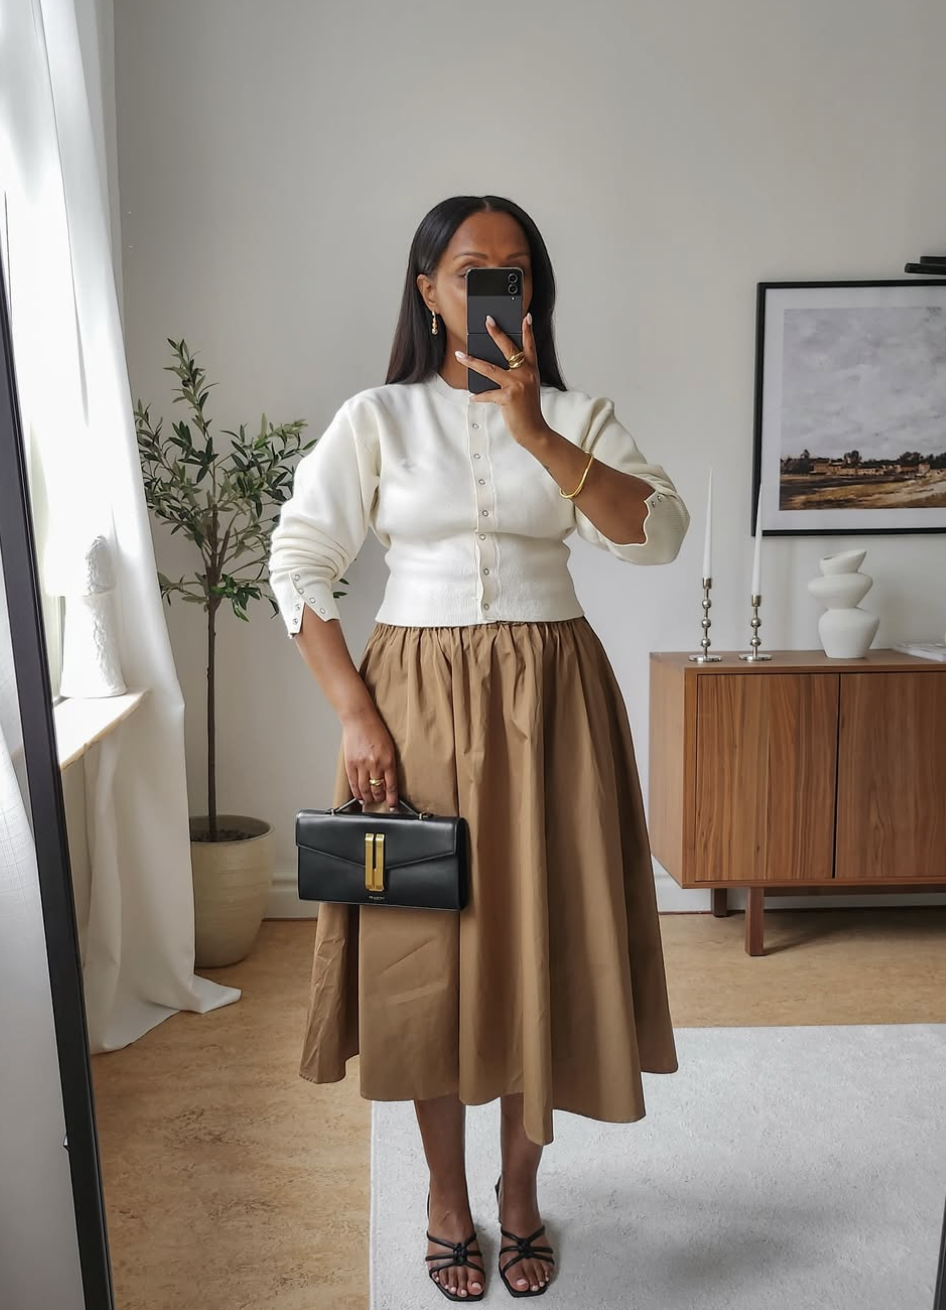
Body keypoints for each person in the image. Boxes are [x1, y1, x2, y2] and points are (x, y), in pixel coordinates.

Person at [267, 194, 690, 1302]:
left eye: (515, 271)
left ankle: (518, 1191)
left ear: (533, 295)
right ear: (428, 290)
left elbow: (657, 535)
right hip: (415, 702)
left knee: (543, 942)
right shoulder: (376, 417)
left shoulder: (578, 414)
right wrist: (355, 710)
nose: (495, 287)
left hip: (556, 706)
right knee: (426, 954)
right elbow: (299, 558)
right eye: (469, 269)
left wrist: (536, 431)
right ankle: (446, 1197)